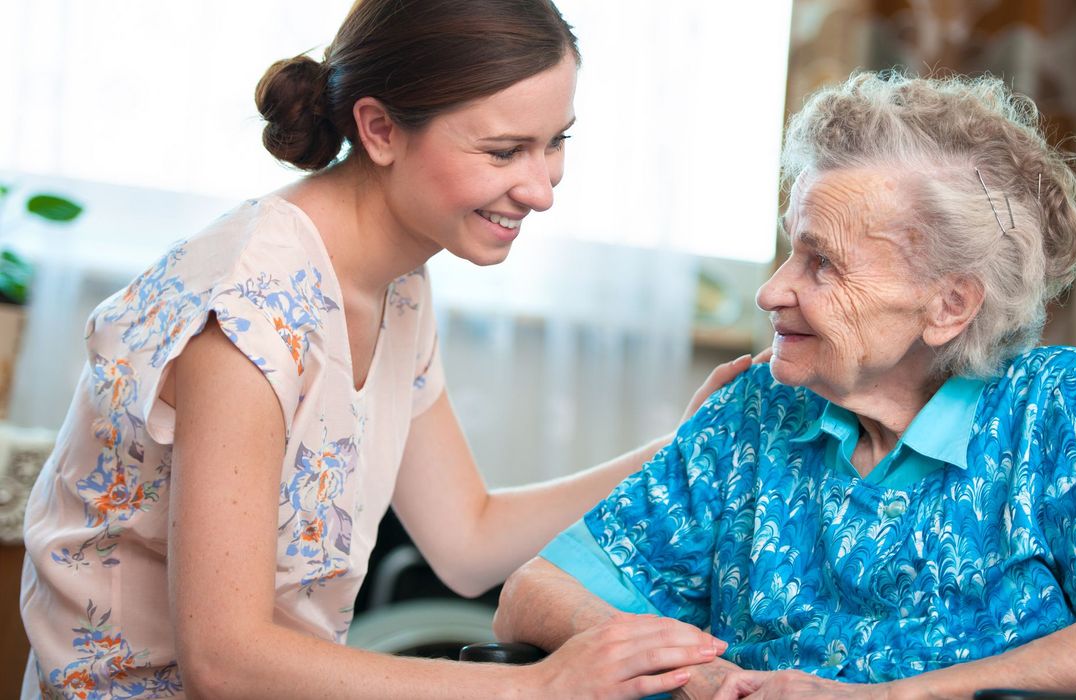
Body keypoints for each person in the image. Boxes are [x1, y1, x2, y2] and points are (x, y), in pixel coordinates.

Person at [20, 1, 746, 697]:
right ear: (379, 129)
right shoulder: (248, 311)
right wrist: (533, 688)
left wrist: (681, 446)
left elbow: (468, 540)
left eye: (556, 141)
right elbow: (224, 663)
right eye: (503, 150)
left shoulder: (396, 286)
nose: (541, 188)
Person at [494, 70, 1076, 699]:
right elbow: (533, 595)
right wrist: (688, 672)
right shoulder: (758, 409)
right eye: (790, 249)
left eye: (822, 263)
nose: (772, 292)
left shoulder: (1055, 407)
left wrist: (891, 697)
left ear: (949, 306)